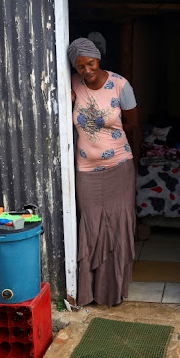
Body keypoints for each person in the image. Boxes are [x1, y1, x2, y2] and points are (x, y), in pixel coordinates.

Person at [68, 36, 138, 307]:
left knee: (117, 226)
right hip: (86, 169)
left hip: (119, 166)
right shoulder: (72, 84)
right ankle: (88, 292)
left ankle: (114, 292)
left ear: (98, 59)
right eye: (80, 66)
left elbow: (132, 123)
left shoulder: (120, 85)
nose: (87, 70)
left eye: (91, 63)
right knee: (91, 223)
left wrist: (107, 137)